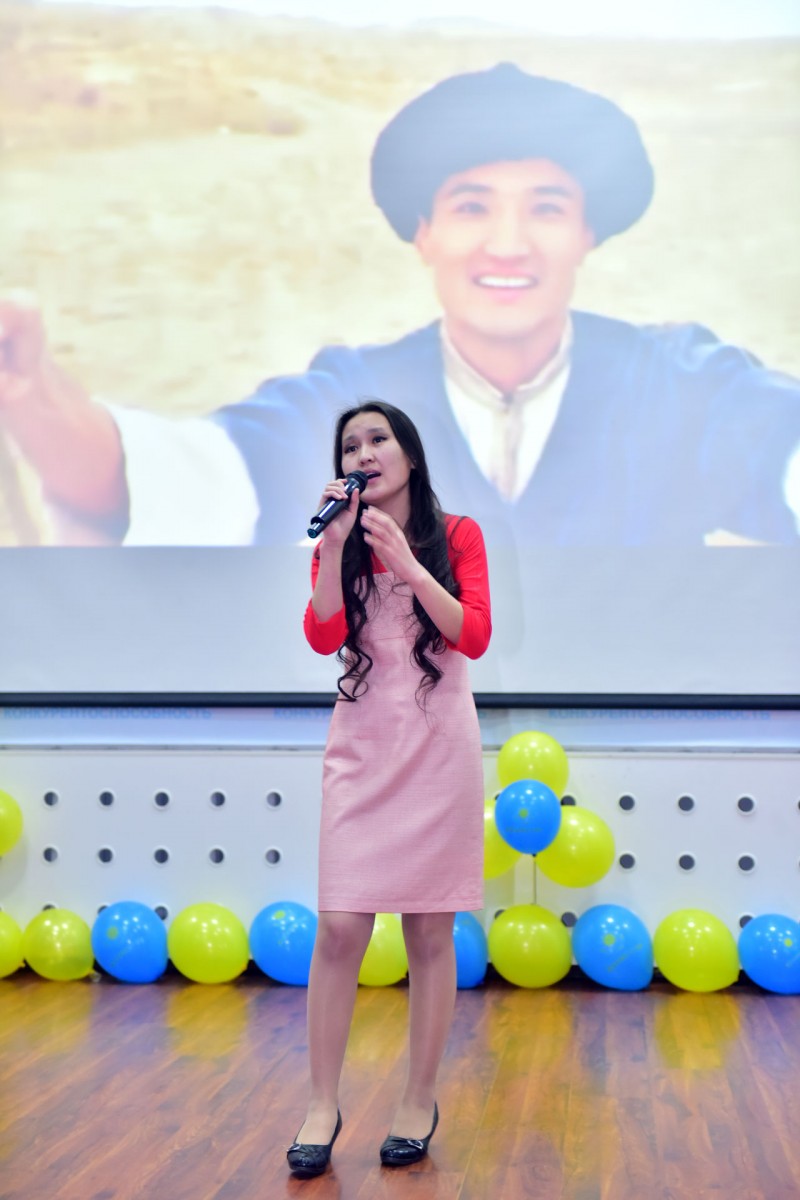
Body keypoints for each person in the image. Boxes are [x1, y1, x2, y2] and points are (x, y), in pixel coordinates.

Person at [1, 63, 799, 545]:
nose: (509, 243)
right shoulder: (354, 402)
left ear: (587, 232)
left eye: (547, 208)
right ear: (424, 234)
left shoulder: (685, 384)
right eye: (472, 206)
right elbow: (185, 480)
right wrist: (34, 394)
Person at [287, 399, 491, 1177]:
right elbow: (322, 636)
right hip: (363, 749)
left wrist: (407, 564)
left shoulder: (458, 535)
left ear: (409, 454)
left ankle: (419, 1097)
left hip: (438, 749)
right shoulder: (334, 539)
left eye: (378, 440)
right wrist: (337, 546)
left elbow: (473, 634)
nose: (363, 454)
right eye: (350, 446)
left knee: (430, 933)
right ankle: (321, 1103)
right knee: (340, 928)